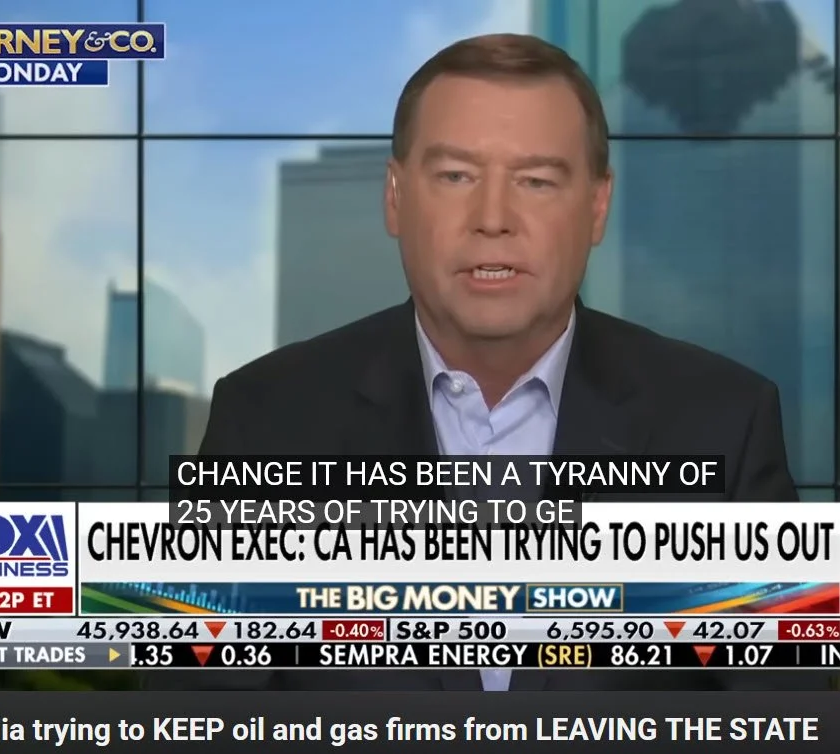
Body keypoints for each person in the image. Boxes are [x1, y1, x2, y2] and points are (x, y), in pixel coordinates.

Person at [147, 33, 808, 692]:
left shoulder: (725, 425)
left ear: (596, 206)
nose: (493, 218)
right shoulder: (264, 422)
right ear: (395, 196)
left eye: (536, 181)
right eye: (456, 176)